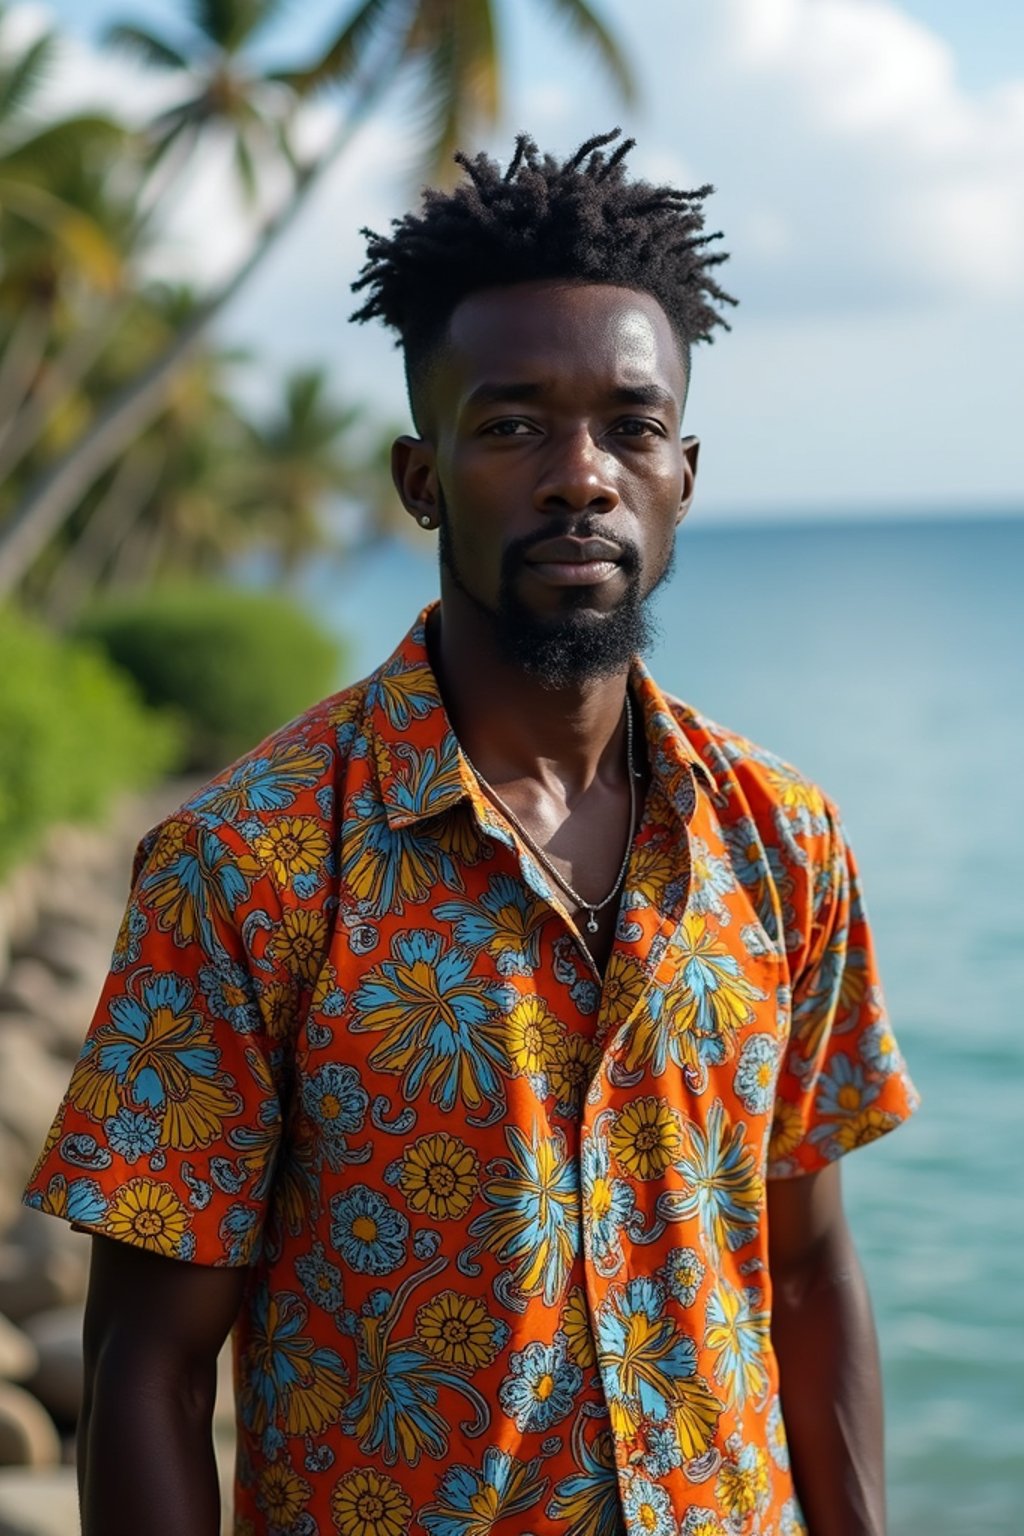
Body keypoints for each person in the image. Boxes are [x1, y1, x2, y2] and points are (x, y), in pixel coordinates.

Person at [25, 129, 917, 1536]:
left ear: (684, 473)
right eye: (512, 426)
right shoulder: (248, 865)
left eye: (629, 426)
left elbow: (805, 1273)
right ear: (420, 479)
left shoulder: (783, 841)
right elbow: (148, 1363)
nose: (581, 475)